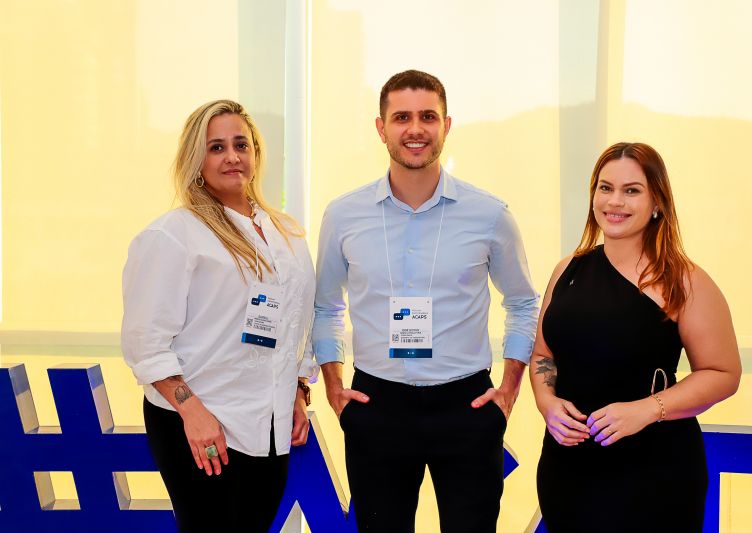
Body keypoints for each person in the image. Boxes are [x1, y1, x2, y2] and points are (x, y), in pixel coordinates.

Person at [313, 70, 540, 532]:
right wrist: (334, 388)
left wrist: (509, 389)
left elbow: (522, 303)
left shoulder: (490, 214)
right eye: (401, 117)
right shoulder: (343, 215)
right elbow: (325, 306)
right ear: (381, 128)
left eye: (427, 117)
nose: (415, 129)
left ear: (446, 125)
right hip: (376, 404)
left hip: (467, 406)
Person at [121, 100, 316, 532]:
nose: (231, 156)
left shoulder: (286, 233)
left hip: (269, 426)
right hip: (199, 422)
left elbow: (298, 322)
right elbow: (145, 342)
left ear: (256, 153)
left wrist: (298, 391)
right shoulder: (173, 235)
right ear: (196, 159)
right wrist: (193, 412)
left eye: (240, 144)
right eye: (216, 147)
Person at [530, 142, 741, 532]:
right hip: (568, 469)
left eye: (632, 190)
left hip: (654, 472)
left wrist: (645, 410)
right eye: (605, 188)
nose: (615, 201)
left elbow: (723, 373)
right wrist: (547, 402)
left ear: (657, 201)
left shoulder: (685, 281)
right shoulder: (567, 270)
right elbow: (544, 354)